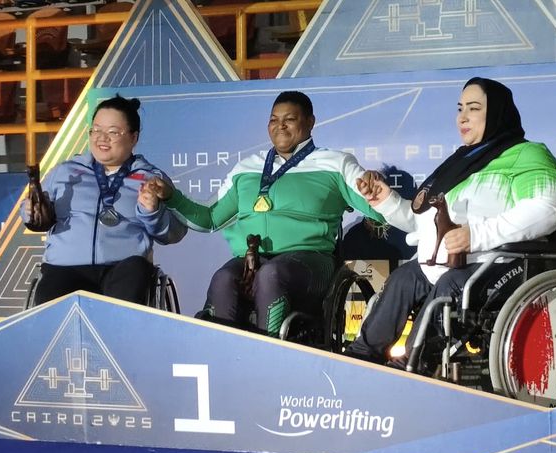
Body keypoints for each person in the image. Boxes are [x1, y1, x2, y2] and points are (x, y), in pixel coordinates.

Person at [344, 77, 556, 367]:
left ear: (497, 112)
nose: (463, 117)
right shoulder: (460, 162)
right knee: (404, 277)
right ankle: (360, 358)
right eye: (460, 108)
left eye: (474, 108)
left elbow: (548, 208)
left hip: (498, 263)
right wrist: (386, 200)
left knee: (451, 284)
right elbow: (423, 224)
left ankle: (412, 365)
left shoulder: (527, 154)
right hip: (446, 262)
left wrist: (476, 235)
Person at [144, 91, 384, 337]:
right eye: (273, 120)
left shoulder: (336, 163)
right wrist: (172, 197)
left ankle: (268, 351)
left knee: (271, 274)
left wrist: (376, 188)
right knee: (223, 278)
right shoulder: (246, 168)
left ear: (310, 122)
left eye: (289, 119)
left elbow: (380, 209)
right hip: (252, 261)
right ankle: (221, 352)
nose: (280, 126)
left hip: (313, 262)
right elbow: (210, 219)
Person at [21, 95, 187, 306]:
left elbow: (176, 231)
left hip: (121, 269)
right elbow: (34, 212)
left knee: (134, 273)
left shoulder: (151, 179)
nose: (102, 138)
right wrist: (32, 212)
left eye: (113, 132)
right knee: (51, 295)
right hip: (66, 269)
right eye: (96, 130)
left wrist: (153, 213)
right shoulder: (65, 171)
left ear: (133, 138)